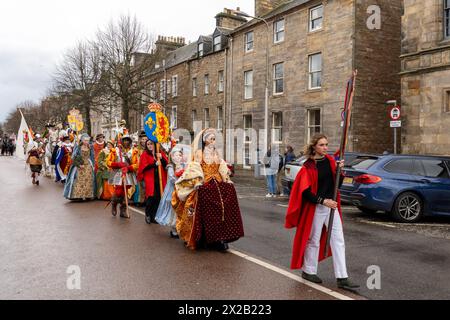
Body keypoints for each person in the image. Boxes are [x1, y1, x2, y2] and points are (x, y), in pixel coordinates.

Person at [284, 134, 359, 291]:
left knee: (338, 240)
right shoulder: (308, 167)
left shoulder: (331, 161)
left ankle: (342, 277)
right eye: (322, 145)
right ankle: (309, 271)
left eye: (326, 144)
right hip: (317, 207)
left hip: (331, 207)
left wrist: (340, 170)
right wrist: (323, 201)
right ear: (314, 147)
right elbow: (305, 193)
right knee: (314, 240)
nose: (325, 147)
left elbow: (337, 185)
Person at [172, 128, 244, 252]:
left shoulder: (216, 153)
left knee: (229, 194)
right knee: (204, 198)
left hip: (218, 182)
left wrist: (227, 176)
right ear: (205, 141)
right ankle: (204, 236)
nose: (213, 141)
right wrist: (197, 181)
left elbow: (221, 166)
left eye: (214, 139)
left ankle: (221, 237)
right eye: (211, 139)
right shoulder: (199, 153)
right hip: (205, 182)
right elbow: (194, 167)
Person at [155, 145, 187, 238]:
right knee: (173, 210)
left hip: (182, 190)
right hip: (172, 190)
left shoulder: (184, 166)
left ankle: (180, 227)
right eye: (176, 155)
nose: (178, 157)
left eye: (180, 155)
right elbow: (172, 178)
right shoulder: (170, 167)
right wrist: (180, 181)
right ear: (172, 157)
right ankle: (174, 229)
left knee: (181, 209)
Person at [106, 134, 139, 218]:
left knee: (126, 192)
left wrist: (129, 167)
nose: (126, 142)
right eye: (124, 140)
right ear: (121, 141)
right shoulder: (115, 150)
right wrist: (117, 164)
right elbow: (108, 162)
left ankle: (123, 210)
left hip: (128, 173)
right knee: (119, 191)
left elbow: (137, 164)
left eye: (128, 140)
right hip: (118, 173)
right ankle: (114, 203)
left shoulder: (133, 151)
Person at [137, 140, 168, 224]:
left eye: (151, 144)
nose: (150, 145)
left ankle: (154, 216)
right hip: (150, 178)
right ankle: (147, 214)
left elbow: (166, 165)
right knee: (151, 197)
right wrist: (154, 164)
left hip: (160, 178)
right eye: (148, 144)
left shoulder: (160, 152)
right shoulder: (145, 154)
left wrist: (161, 158)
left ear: (155, 145)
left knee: (158, 198)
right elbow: (143, 167)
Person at [63, 134, 96, 201]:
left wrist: (93, 165)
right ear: (82, 140)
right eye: (85, 140)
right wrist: (79, 164)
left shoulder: (90, 147)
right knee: (78, 179)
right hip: (80, 165)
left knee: (89, 179)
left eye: (88, 140)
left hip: (88, 165)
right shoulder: (78, 147)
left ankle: (88, 195)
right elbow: (73, 157)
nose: (87, 142)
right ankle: (77, 196)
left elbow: (92, 156)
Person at [133, 131, 148, 207]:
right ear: (140, 140)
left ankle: (145, 200)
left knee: (146, 186)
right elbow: (135, 160)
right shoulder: (137, 150)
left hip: (147, 170)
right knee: (139, 186)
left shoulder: (149, 149)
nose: (144, 141)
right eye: (143, 139)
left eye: (146, 139)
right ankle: (138, 200)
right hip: (139, 169)